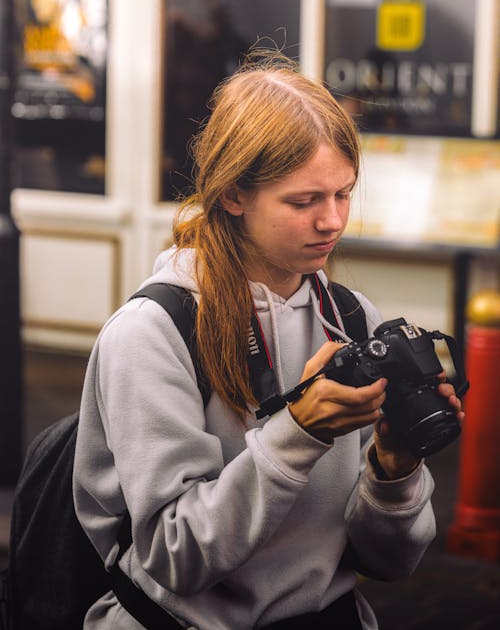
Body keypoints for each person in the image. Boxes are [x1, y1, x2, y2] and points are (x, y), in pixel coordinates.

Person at [73, 51, 464, 629]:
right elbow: (174, 559)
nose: (332, 221)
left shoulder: (352, 320)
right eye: (304, 201)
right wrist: (298, 432)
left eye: (344, 193)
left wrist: (394, 468)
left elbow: (389, 562)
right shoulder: (153, 332)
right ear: (233, 195)